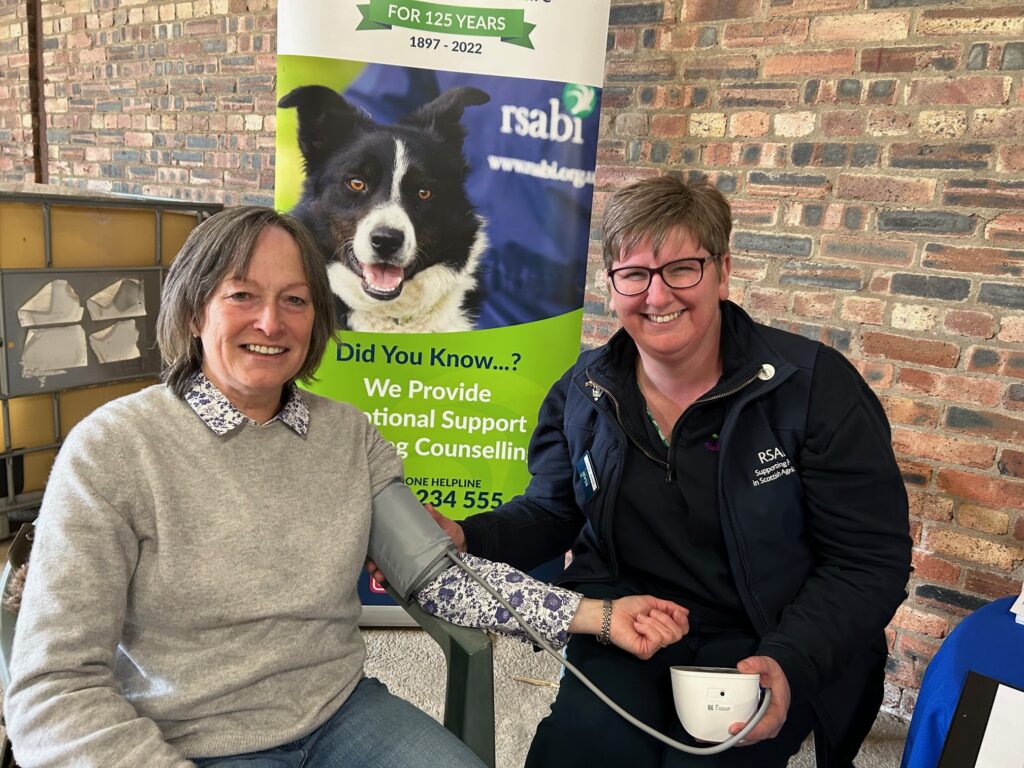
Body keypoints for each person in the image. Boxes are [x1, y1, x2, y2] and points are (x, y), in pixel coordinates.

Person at [3, 206, 689, 767]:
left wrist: (598, 616)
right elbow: (53, 689)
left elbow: (440, 578)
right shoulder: (113, 449)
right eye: (242, 295)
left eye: (295, 300)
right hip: (188, 739)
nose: (271, 323)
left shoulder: (347, 436)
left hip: (338, 717)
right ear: (191, 311)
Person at [427, 176, 913, 767]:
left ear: (722, 271)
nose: (657, 296)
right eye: (634, 274)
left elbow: (868, 560)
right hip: (629, 620)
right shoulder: (583, 389)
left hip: (768, 632)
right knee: (579, 754)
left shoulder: (815, 389)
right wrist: (468, 535)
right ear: (611, 286)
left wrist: (791, 660)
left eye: (682, 269)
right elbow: (552, 511)